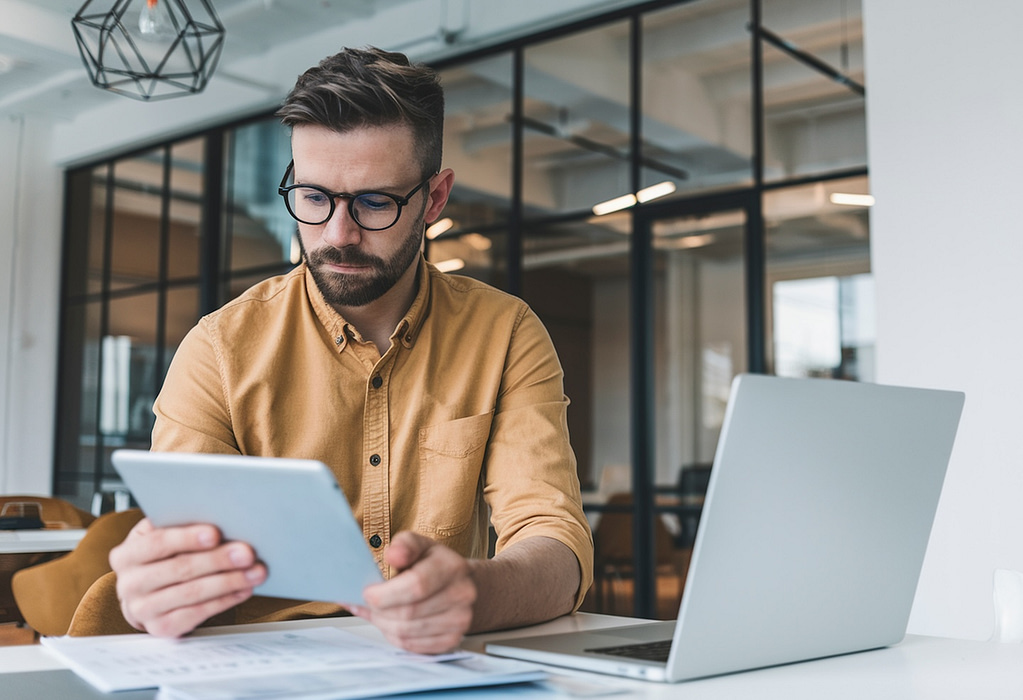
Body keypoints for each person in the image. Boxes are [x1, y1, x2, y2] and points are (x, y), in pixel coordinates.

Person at [106, 47, 593, 654]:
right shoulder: (218, 349)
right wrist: (157, 588)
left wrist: (474, 592)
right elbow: (174, 550)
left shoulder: (506, 332)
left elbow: (555, 542)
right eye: (313, 198)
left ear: (434, 200)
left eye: (373, 203)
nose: (338, 234)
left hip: (436, 671)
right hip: (257, 676)